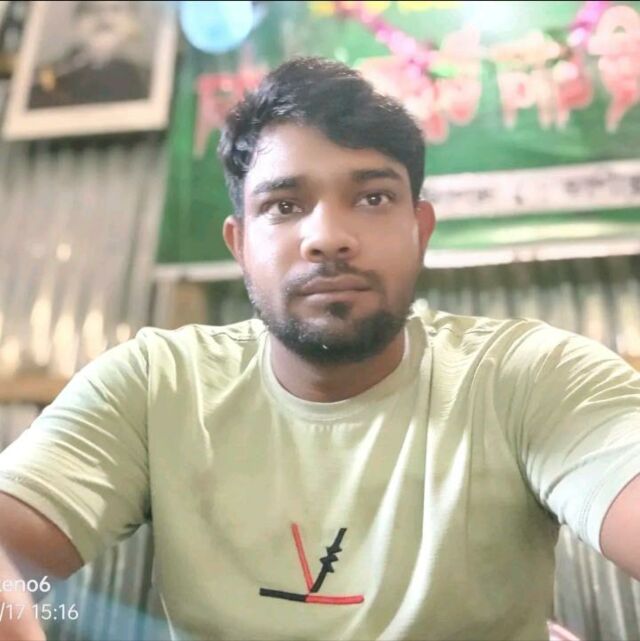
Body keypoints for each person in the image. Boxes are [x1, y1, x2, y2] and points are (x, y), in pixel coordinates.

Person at [1, 56, 639, 641]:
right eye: (284, 205)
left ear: (419, 230)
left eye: (372, 198)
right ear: (240, 244)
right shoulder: (154, 387)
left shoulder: (528, 377)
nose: (328, 237)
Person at [28, 0, 150, 109]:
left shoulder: (146, 79)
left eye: (115, 9)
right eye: (92, 9)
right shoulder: (42, 81)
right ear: (76, 22)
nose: (104, 18)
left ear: (131, 21)